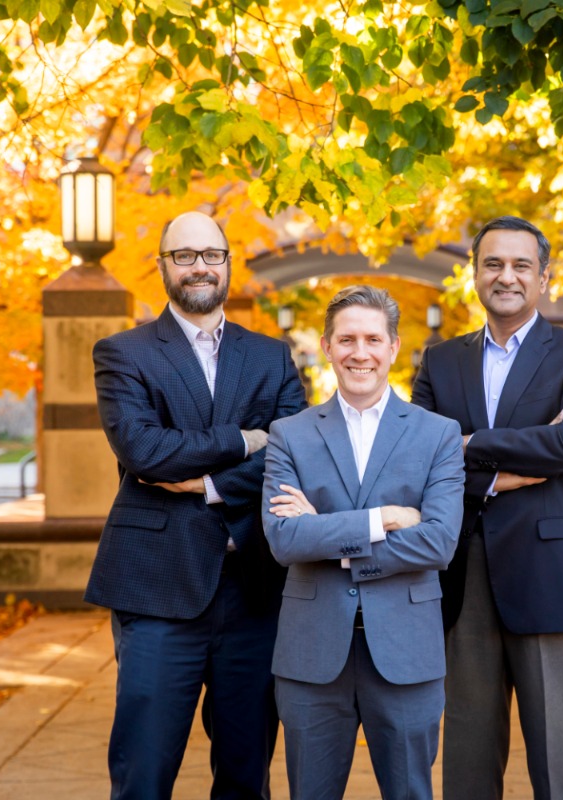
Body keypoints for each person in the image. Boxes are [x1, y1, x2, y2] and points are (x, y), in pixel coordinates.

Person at [85, 211, 307, 800]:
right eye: (184, 255)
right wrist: (242, 440)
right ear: (163, 266)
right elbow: (144, 450)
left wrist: (207, 485)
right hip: (156, 588)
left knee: (245, 774)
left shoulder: (272, 357)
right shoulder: (123, 353)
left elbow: (293, 455)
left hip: (255, 592)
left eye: (212, 254)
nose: (200, 266)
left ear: (229, 263)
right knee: (144, 774)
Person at [411, 215, 563, 800]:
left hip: (548, 569)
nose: (507, 276)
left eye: (522, 265)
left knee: (556, 754)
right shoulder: (440, 361)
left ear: (544, 277)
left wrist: (470, 444)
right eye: (493, 263)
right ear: (474, 274)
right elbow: (420, 463)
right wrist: (500, 477)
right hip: (463, 569)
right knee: (468, 753)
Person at [261, 285, 464, 800]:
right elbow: (285, 539)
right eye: (347, 339)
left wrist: (329, 535)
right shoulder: (290, 434)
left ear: (393, 347)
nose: (360, 352)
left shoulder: (438, 434)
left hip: (406, 652)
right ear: (327, 346)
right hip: (312, 654)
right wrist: (385, 519)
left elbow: (438, 543)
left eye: (373, 339)